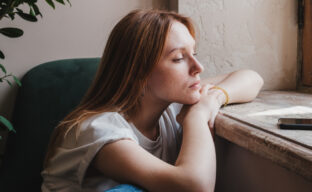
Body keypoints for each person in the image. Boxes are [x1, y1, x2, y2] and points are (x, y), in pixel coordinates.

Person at [41, 9, 264, 192]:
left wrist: (213, 99)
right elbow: (194, 187)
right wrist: (197, 116)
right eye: (178, 58)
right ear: (138, 71)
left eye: (194, 53)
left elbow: (252, 78)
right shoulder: (99, 131)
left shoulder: (169, 102)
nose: (198, 68)